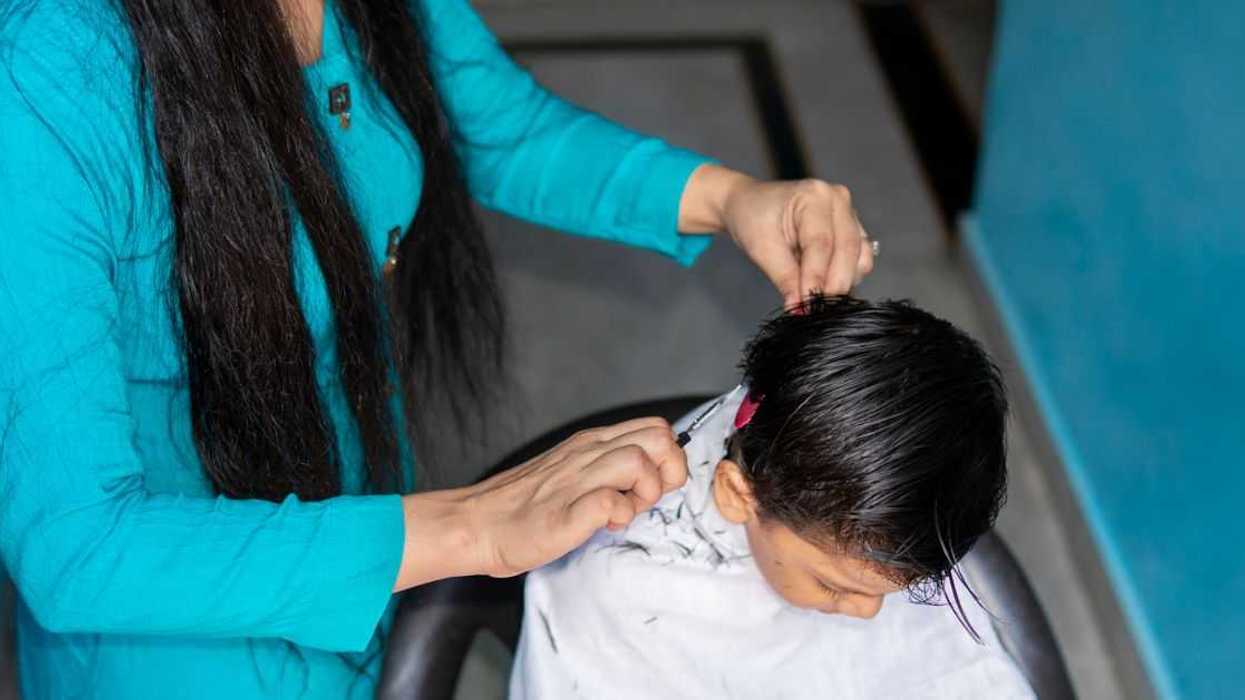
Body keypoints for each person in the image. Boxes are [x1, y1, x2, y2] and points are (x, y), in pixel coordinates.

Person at [0, 0, 877, 696]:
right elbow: (81, 548)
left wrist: (728, 198)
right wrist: (470, 526)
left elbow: (496, 124)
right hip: (170, 630)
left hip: (361, 494)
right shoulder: (42, 85)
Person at [511, 296, 1034, 699]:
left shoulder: (889, 494)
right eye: (832, 586)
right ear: (738, 494)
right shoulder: (611, 605)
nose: (870, 614)